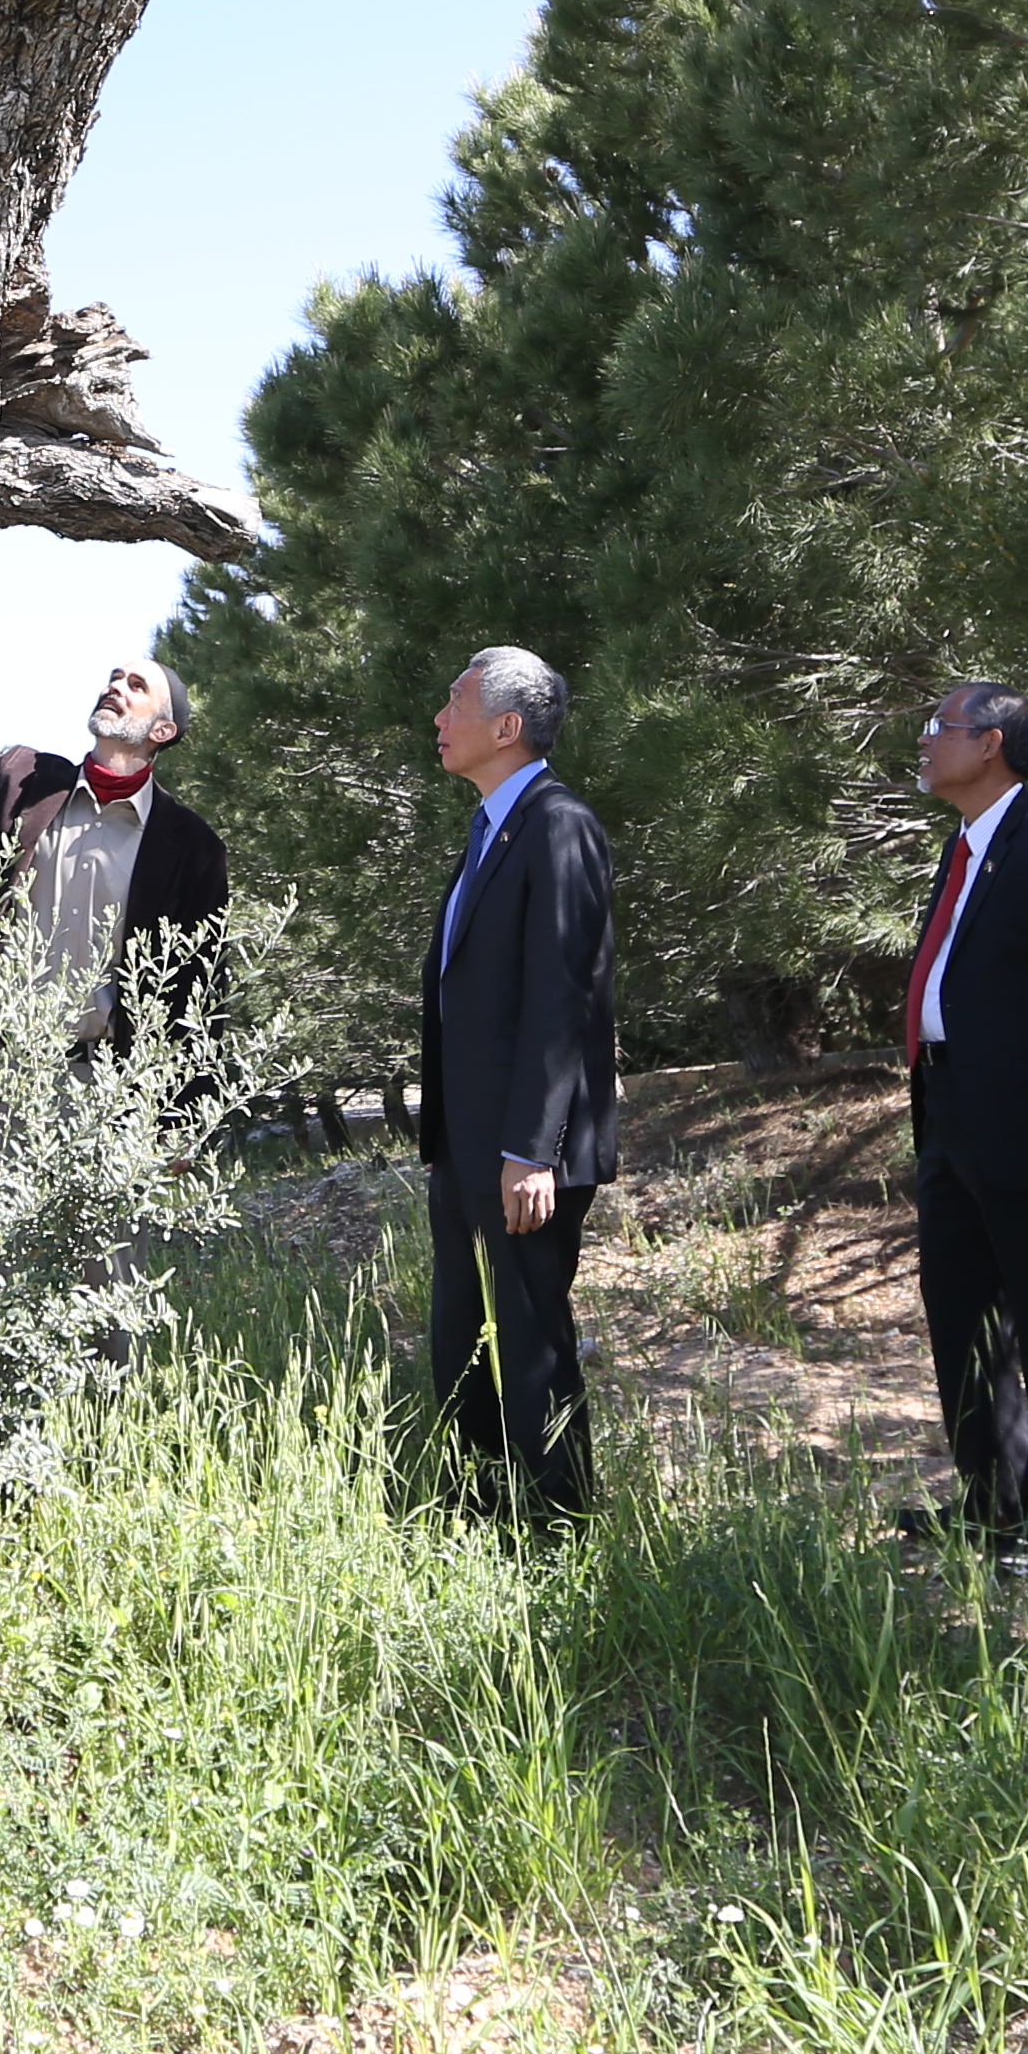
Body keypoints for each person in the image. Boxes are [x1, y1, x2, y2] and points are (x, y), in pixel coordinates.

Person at [418, 643, 620, 1528]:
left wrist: (529, 1150)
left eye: (454, 702)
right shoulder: (489, 828)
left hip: (518, 1150)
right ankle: (479, 1515)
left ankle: (559, 1529)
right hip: (463, 1145)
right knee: (459, 1341)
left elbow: (560, 996)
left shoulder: (556, 822)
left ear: (506, 725)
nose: (437, 717)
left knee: (531, 1342)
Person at [899, 678, 1028, 1563]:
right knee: (961, 1315)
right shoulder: (962, 847)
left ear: (990, 744)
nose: (924, 741)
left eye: (938, 728)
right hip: (948, 1117)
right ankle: (991, 1501)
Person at [0, 588, 233, 1050]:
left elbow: (201, 985)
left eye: (136, 686)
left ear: (162, 731)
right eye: (114, 678)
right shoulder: (23, 778)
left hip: (107, 1085)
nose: (114, 686)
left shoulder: (191, 847)